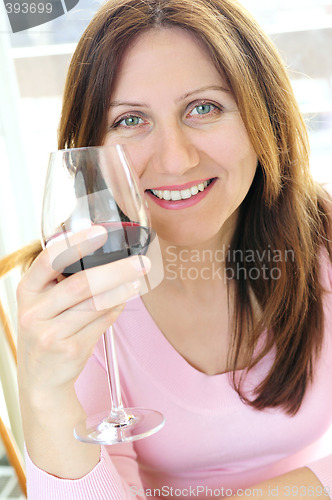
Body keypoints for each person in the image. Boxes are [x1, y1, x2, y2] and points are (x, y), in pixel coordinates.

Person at [14, 0, 332, 498]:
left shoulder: (325, 241)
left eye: (203, 108)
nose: (176, 159)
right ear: (90, 150)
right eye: (129, 120)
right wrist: (45, 396)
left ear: (262, 114)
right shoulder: (75, 287)